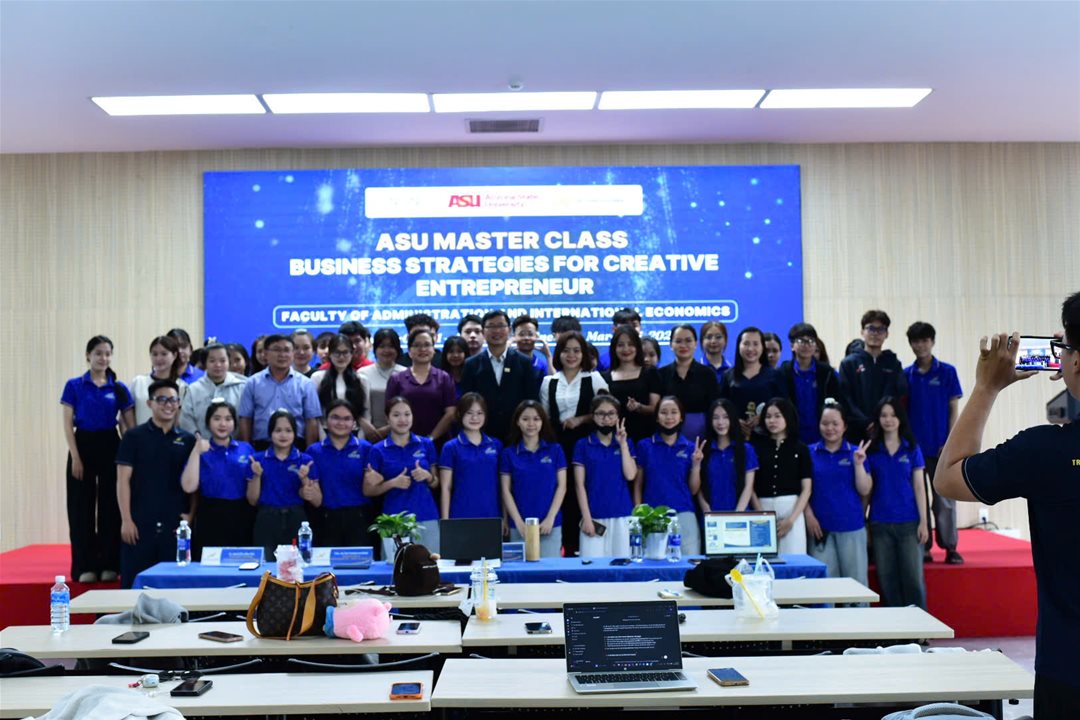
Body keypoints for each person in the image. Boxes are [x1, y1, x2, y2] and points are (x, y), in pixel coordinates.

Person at [934, 293, 1080, 716]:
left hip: (1068, 670)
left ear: (1074, 362)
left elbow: (948, 477)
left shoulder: (1043, 451)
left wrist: (987, 386)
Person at [61, 335, 135, 583]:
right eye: (98, 353)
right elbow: (67, 424)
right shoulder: (74, 385)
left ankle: (109, 563)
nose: (103, 358)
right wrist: (75, 457)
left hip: (110, 444)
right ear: (88, 356)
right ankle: (84, 566)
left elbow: (129, 426)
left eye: (107, 353)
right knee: (80, 507)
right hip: (82, 444)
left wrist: (130, 456)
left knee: (109, 507)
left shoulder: (119, 388)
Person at [115, 379, 196, 588]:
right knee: (134, 586)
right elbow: (122, 480)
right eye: (162, 399)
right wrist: (126, 520)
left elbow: (195, 486)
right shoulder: (133, 437)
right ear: (150, 403)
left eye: (173, 400)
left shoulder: (188, 441)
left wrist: (190, 515)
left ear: (179, 404)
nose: (168, 404)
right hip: (139, 524)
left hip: (175, 525)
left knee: (175, 588)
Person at [540, 330, 609, 556]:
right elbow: (545, 418)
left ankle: (589, 546)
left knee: (587, 490)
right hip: (558, 446)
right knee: (563, 493)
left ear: (584, 354)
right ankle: (567, 548)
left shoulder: (594, 378)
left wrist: (581, 419)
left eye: (577, 351)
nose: (571, 355)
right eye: (566, 350)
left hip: (588, 444)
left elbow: (608, 410)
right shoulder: (548, 382)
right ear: (558, 353)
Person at [904, 321, 965, 564]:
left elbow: (953, 409)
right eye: (916, 341)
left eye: (924, 340)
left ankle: (950, 547)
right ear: (911, 344)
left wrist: (950, 442)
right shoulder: (905, 375)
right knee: (917, 499)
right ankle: (924, 547)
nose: (920, 345)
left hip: (941, 448)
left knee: (945, 500)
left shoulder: (947, 372)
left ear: (932, 342)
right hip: (915, 450)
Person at [866, 396, 928, 609]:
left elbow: (919, 487)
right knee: (887, 581)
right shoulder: (872, 450)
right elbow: (867, 490)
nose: (888, 419)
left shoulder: (912, 448)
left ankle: (920, 625)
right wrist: (864, 522)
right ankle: (896, 627)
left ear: (900, 418)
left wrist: (924, 522)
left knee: (913, 580)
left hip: (909, 523)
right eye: (884, 415)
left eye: (893, 415)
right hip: (880, 524)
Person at [805, 400, 872, 594]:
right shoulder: (809, 453)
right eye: (825, 423)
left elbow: (865, 489)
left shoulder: (856, 452)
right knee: (824, 590)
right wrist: (809, 515)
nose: (830, 428)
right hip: (820, 530)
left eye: (835, 423)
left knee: (856, 589)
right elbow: (802, 490)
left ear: (844, 426)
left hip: (851, 527)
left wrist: (858, 464)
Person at [364, 396, 439, 558]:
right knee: (395, 567)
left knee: (430, 565)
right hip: (394, 520)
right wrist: (392, 483)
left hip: (426, 515)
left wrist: (427, 476)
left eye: (407, 414)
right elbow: (368, 490)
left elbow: (435, 483)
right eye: (396, 415)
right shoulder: (377, 450)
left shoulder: (426, 444)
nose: (403, 419)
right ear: (387, 418)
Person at [180, 400, 256, 556]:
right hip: (210, 514)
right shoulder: (201, 450)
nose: (223, 424)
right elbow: (188, 486)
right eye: (217, 418)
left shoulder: (246, 448)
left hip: (241, 513)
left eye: (228, 419)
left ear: (234, 423)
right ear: (208, 422)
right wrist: (196, 451)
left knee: (241, 563)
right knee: (208, 564)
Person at [246, 409, 321, 560]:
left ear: (295, 434)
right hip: (266, 518)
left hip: (296, 518)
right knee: (265, 566)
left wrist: (305, 479)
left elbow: (317, 501)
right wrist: (257, 475)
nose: (283, 435)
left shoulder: (305, 460)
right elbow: (252, 500)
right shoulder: (257, 460)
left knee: (296, 566)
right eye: (278, 430)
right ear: (270, 433)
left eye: (288, 430)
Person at [305, 399, 377, 548]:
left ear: (354, 423)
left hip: (359, 518)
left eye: (347, 418)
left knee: (360, 562)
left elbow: (373, 484)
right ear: (325, 421)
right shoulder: (314, 451)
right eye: (335, 417)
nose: (341, 423)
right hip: (326, 519)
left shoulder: (366, 449)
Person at [635, 396, 702, 555]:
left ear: (681, 417)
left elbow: (694, 490)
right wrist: (638, 515)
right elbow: (638, 484)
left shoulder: (691, 448)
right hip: (652, 514)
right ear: (657, 417)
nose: (669, 417)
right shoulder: (645, 445)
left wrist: (696, 465)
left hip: (684, 513)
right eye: (664, 412)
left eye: (674, 412)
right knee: (653, 562)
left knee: (688, 563)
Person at [500, 400, 567, 557]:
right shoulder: (508, 454)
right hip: (519, 526)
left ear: (543, 422)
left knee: (551, 569)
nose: (531, 424)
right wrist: (518, 522)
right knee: (520, 570)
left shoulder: (555, 450)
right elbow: (505, 490)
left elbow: (562, 486)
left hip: (550, 525)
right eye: (525, 419)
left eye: (536, 419)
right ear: (517, 422)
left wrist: (550, 518)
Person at [460, 310, 539, 440]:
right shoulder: (471, 364)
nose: (496, 331)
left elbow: (532, 400)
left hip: (517, 433)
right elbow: (466, 403)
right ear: (483, 332)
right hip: (482, 434)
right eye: (491, 326)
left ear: (509, 330)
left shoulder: (524, 362)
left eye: (501, 326)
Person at [574, 395, 637, 558]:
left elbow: (631, 475)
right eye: (601, 414)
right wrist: (586, 518)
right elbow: (579, 485)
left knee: (623, 566)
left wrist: (623, 444)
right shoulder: (583, 444)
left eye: (611, 414)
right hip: (594, 517)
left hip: (622, 515)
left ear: (617, 416)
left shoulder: (627, 443)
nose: (606, 419)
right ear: (593, 416)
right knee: (592, 568)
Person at [749, 398, 813, 555]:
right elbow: (750, 485)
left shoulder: (800, 448)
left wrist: (791, 519)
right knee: (762, 560)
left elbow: (806, 488)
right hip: (762, 508)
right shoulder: (756, 448)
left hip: (792, 509)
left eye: (777, 416)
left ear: (787, 417)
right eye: (768, 416)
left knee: (795, 559)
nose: (772, 421)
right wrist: (761, 514)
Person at [237, 334, 322, 450]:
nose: (282, 355)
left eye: (287, 350)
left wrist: (309, 452)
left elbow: (311, 420)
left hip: (297, 447)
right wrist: (246, 451)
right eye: (277, 350)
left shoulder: (306, 384)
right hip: (262, 447)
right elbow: (245, 419)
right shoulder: (252, 383)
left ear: (293, 353)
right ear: (266, 353)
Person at [839, 310, 908, 441]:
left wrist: (880, 421)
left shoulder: (893, 364)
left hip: (886, 431)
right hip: (855, 431)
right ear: (862, 332)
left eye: (881, 329)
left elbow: (897, 395)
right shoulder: (848, 363)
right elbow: (846, 399)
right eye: (871, 328)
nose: (875, 333)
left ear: (887, 334)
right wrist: (867, 423)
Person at [439, 393, 502, 520]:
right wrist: (445, 521)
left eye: (479, 413)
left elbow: (503, 486)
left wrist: (504, 517)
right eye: (469, 413)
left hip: (492, 515)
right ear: (459, 414)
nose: (475, 417)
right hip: (460, 515)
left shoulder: (496, 445)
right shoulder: (450, 447)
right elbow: (446, 488)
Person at [386, 328, 456, 441]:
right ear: (409, 351)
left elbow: (450, 413)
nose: (422, 349)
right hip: (404, 442)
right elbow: (389, 413)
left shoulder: (444, 378)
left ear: (433, 350)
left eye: (427, 345)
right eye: (417, 345)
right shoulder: (397, 379)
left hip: (438, 442)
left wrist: (430, 439)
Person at [778, 323, 841, 446]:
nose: (806, 345)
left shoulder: (826, 372)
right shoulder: (783, 372)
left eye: (811, 341)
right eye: (801, 341)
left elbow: (837, 402)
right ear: (792, 346)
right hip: (792, 435)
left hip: (822, 435)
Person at [719, 326, 786, 438]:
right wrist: (733, 420)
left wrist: (764, 416)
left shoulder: (775, 375)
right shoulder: (728, 376)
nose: (750, 349)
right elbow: (720, 407)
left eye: (755, 344)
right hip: (735, 437)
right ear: (739, 346)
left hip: (767, 437)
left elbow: (785, 406)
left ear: (762, 347)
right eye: (746, 344)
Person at [658, 324, 719, 442]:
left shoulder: (707, 374)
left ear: (696, 343)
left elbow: (714, 408)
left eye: (688, 340)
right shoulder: (661, 374)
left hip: (701, 436)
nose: (683, 345)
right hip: (668, 437)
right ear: (671, 345)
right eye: (678, 341)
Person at [602, 325, 662, 443]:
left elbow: (656, 408)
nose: (626, 349)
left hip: (645, 437)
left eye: (630, 344)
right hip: (614, 438)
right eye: (620, 345)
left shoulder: (650, 373)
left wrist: (639, 407)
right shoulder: (604, 377)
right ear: (614, 348)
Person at [697, 399, 757, 514]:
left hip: (740, 515)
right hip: (711, 516)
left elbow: (748, 487)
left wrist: (737, 514)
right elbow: (699, 486)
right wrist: (707, 512)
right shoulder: (703, 450)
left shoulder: (746, 449)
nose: (720, 422)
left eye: (725, 417)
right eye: (715, 418)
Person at [310, 333, 374, 438]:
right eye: (337, 353)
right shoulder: (317, 378)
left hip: (354, 433)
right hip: (326, 433)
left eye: (345, 352)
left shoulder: (362, 380)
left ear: (352, 353)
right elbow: (316, 415)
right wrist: (323, 440)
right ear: (330, 354)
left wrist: (360, 440)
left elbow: (366, 414)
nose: (341, 357)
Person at [179, 343, 247, 438]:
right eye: (212, 361)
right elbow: (186, 419)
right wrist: (198, 439)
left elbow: (246, 419)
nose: (218, 365)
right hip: (201, 444)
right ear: (205, 363)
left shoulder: (241, 387)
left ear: (229, 362)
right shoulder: (194, 389)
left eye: (222, 361)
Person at [130, 336, 188, 425]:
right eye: (155, 354)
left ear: (174, 355)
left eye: (164, 354)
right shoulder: (138, 382)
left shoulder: (182, 387)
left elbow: (180, 421)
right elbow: (127, 415)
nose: (158, 359)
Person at [359, 328, 406, 437]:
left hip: (399, 432)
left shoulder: (405, 374)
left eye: (391, 346)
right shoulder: (362, 373)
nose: (386, 350)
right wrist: (368, 428)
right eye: (382, 346)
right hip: (368, 433)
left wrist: (388, 428)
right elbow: (357, 407)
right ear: (375, 348)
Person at [512, 314, 553, 389]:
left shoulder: (541, 365)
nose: (526, 338)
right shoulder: (508, 362)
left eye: (530, 334)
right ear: (514, 337)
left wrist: (548, 356)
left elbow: (554, 386)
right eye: (521, 334)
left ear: (536, 336)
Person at [595, 308, 642, 372]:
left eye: (634, 325)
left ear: (640, 327)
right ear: (614, 328)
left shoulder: (647, 356)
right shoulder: (603, 361)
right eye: (625, 325)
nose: (630, 329)